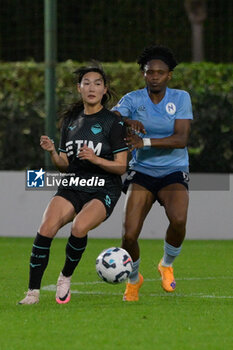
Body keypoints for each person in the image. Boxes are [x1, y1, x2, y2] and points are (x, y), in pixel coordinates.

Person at [19, 63, 128, 305]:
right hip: (73, 183)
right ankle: (32, 293)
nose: (92, 87)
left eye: (97, 83)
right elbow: (65, 165)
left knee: (79, 227)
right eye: (86, 83)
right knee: (46, 227)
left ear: (105, 89)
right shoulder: (70, 121)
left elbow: (122, 166)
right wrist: (52, 153)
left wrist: (96, 158)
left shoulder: (113, 122)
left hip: (104, 187)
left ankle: (65, 277)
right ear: (79, 88)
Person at [112, 45, 193, 301]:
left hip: (173, 170)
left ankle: (166, 264)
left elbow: (180, 139)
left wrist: (144, 142)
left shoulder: (180, 98)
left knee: (179, 220)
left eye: (160, 72)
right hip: (142, 171)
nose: (155, 76)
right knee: (129, 234)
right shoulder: (133, 99)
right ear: (144, 74)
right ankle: (134, 279)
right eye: (150, 72)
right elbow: (110, 117)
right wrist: (126, 121)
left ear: (169, 75)